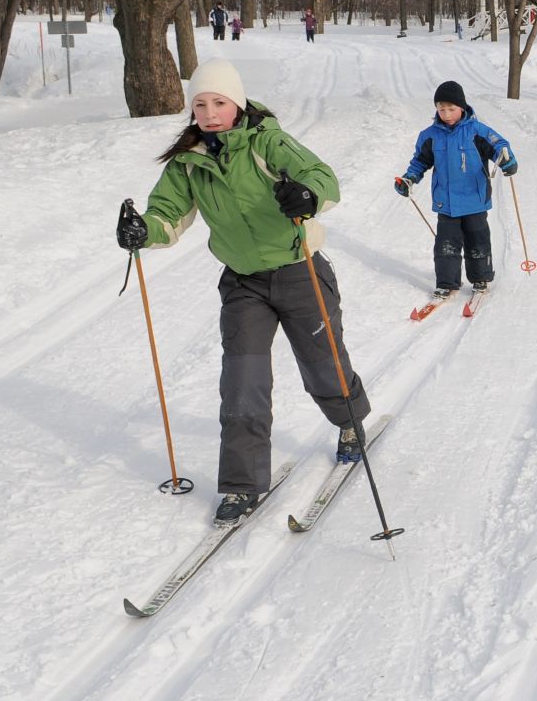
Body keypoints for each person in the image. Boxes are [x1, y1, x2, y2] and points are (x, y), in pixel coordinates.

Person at [115, 59, 370, 525]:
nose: (210, 112)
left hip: (299, 272)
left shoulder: (267, 141)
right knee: (242, 384)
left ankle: (350, 423)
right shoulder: (190, 163)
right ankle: (241, 485)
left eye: (219, 102)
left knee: (324, 366)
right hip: (243, 284)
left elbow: (323, 177)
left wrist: (307, 196)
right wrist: (142, 230)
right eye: (200, 104)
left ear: (237, 103)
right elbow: (167, 216)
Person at [396, 80, 518, 307]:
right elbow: (419, 162)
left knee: (477, 241)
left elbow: (499, 145)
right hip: (447, 202)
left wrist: (507, 160)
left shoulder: (476, 131)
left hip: (475, 199)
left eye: (451, 109)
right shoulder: (430, 135)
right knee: (446, 245)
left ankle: (481, 279)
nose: (446, 114)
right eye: (441, 109)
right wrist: (409, 179)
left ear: (462, 107)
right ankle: (446, 282)